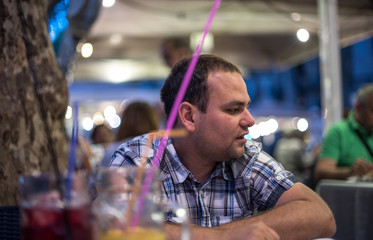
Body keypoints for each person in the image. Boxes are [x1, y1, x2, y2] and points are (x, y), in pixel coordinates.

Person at [109, 54, 336, 240]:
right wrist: (226, 236)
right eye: (234, 110)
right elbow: (116, 226)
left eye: (247, 107)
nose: (250, 120)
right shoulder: (138, 158)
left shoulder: (244, 157)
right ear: (189, 116)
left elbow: (321, 215)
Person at [315, 83, 373, 182]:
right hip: (350, 195)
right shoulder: (338, 132)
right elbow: (321, 171)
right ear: (358, 107)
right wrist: (350, 172)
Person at [101, 101, 160, 167]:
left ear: (124, 121)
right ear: (152, 120)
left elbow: (102, 174)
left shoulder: (113, 150)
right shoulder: (161, 149)